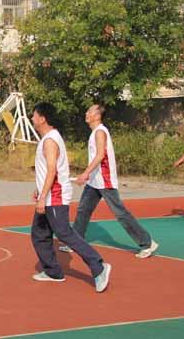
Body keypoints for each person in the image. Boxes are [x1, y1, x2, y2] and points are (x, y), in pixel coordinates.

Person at [30, 102, 111, 293]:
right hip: (49, 194)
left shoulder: (50, 140)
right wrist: (39, 189)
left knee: (64, 233)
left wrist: (43, 196)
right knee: (39, 233)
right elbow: (46, 170)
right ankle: (53, 272)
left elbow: (52, 170)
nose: (32, 118)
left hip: (55, 196)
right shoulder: (48, 138)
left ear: (42, 118)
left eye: (34, 115)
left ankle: (99, 266)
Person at [59, 104, 159, 258]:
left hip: (105, 180)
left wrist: (85, 173)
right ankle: (76, 242)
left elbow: (100, 155)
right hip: (95, 181)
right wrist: (89, 175)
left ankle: (147, 243)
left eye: (90, 111)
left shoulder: (100, 132)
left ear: (97, 115)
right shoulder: (94, 133)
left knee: (120, 213)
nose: (86, 113)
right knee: (83, 210)